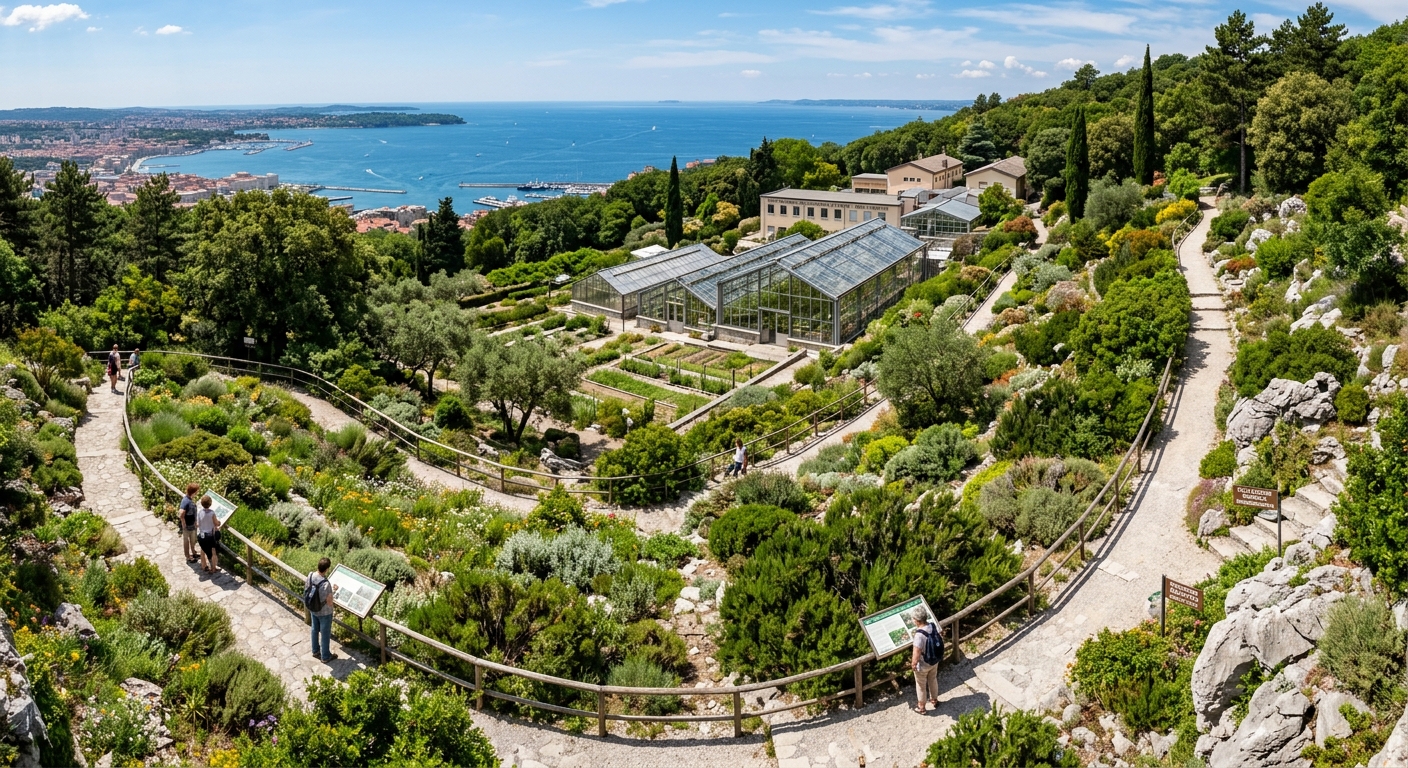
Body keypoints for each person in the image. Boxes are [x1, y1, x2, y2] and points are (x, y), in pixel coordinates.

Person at [910, 608, 941, 714]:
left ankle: (921, 707)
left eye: (913, 619)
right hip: (934, 660)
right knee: (933, 679)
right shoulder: (932, 626)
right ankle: (934, 700)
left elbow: (916, 654)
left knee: (921, 685)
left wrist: (914, 664)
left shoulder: (919, 635)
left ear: (917, 621)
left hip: (923, 664)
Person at [307, 557, 337, 662]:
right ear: (327, 569)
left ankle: (315, 651)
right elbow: (329, 602)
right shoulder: (326, 584)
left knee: (314, 629)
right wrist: (334, 592)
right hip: (324, 613)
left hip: (313, 608)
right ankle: (325, 656)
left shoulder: (310, 575)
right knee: (325, 634)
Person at [195, 495, 222, 574]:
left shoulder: (200, 512)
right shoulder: (212, 513)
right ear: (210, 504)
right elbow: (216, 523)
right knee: (213, 551)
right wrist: (219, 523)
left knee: (203, 550)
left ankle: (203, 566)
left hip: (201, 535)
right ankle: (213, 568)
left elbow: (197, 524)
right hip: (210, 536)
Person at [178, 483, 201, 563]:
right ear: (193, 492)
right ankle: (188, 556)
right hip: (188, 526)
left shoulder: (189, 499)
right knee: (186, 541)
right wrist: (184, 524)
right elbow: (181, 513)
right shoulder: (186, 501)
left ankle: (194, 552)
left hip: (192, 525)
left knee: (193, 540)